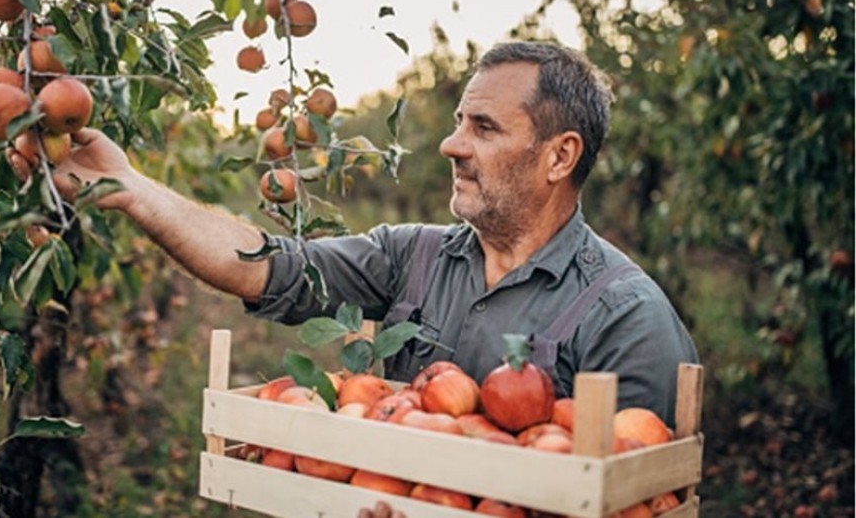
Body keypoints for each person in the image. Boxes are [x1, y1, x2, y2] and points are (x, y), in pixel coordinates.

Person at [45, 41, 698, 426]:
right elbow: (267, 268)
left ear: (560, 157)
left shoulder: (626, 320)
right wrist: (131, 190)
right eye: (457, 121)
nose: (450, 144)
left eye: (484, 128)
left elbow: (632, 493)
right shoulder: (410, 257)